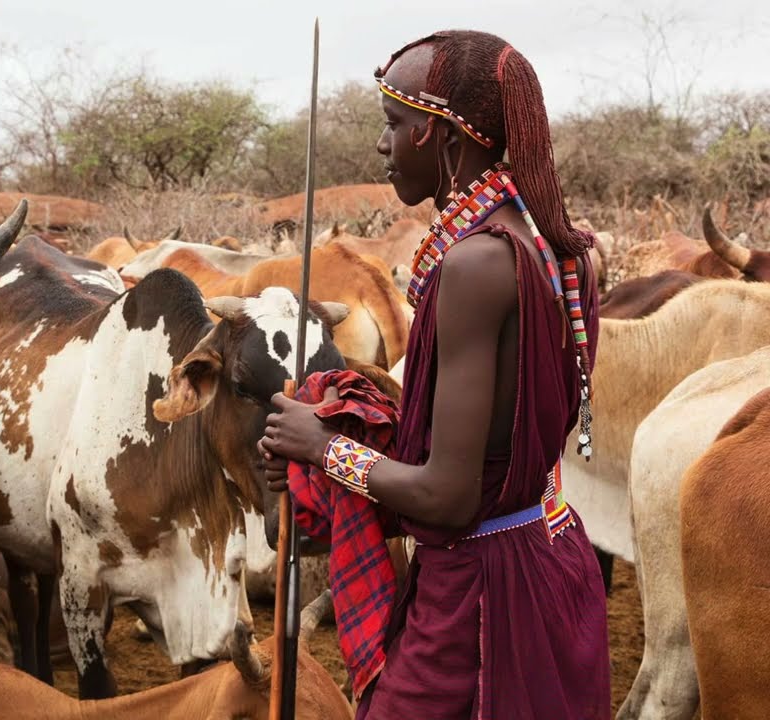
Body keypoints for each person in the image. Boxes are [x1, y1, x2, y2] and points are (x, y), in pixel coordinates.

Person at [258, 30, 612, 719]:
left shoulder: (475, 265)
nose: (382, 145)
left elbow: (448, 497)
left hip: (479, 599)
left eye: (395, 123)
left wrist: (321, 447)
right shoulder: (556, 246)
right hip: (550, 553)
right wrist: (336, 447)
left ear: (443, 135)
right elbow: (496, 453)